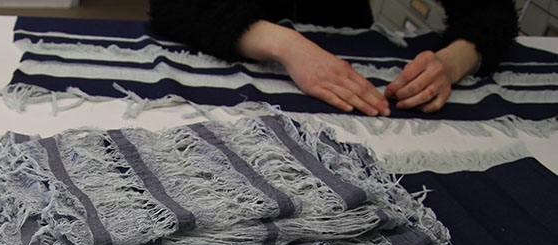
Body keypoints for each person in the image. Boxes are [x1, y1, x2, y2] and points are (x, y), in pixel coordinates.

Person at [149, 0, 518, 115]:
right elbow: (172, 6)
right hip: (234, 42)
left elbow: (492, 14)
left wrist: (451, 62)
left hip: (351, 47)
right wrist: (287, 46)